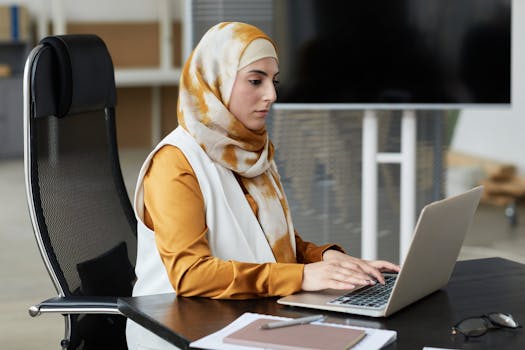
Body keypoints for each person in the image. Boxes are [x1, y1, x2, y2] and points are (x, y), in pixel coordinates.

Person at [126, 21, 400, 349]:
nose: (271, 95)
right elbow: (190, 274)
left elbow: (269, 243)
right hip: (182, 328)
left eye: (273, 81)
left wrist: (326, 260)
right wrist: (302, 276)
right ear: (216, 82)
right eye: (255, 81)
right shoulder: (175, 162)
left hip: (250, 315)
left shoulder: (250, 151)